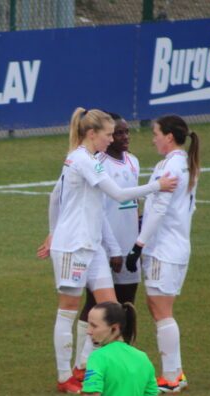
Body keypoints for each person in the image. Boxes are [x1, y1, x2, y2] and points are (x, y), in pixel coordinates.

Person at [38, 108, 177, 393]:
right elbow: (118, 194)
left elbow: (57, 196)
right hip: (73, 247)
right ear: (92, 133)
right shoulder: (81, 159)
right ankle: (65, 378)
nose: (112, 139)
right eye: (108, 134)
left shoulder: (89, 159)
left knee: (110, 310)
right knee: (67, 311)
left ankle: (85, 367)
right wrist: (157, 186)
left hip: (93, 246)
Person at [124, 114, 200, 393]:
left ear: (169, 136)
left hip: (163, 249)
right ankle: (176, 374)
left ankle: (171, 377)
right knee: (161, 310)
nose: (153, 138)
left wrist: (138, 245)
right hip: (178, 247)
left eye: (156, 133)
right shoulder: (185, 164)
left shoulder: (169, 168)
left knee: (161, 311)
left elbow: (158, 209)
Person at [73, 113, 142, 381]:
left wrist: (137, 243)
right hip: (104, 246)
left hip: (129, 243)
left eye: (125, 133)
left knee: (127, 304)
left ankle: (121, 357)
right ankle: (85, 363)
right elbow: (100, 209)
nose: (122, 138)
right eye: (116, 133)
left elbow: (132, 204)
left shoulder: (133, 161)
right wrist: (112, 247)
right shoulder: (96, 163)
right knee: (95, 305)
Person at [70, 302, 160, 396]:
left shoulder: (98, 358)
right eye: (89, 324)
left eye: (94, 326)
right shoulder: (143, 359)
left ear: (114, 328)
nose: (89, 331)